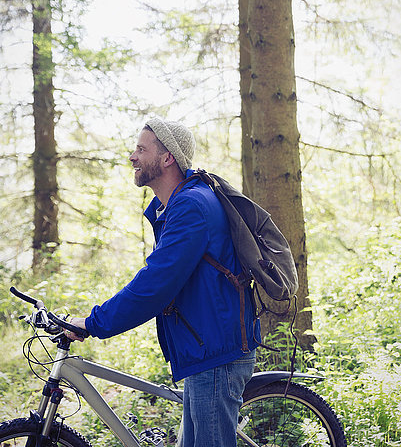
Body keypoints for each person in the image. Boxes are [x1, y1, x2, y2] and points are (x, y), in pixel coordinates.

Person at [67, 117, 261, 447]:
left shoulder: (190, 206)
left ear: (167, 157)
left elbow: (154, 285)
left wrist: (92, 322)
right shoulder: (173, 206)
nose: (132, 156)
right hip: (205, 349)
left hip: (216, 355)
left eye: (141, 149)